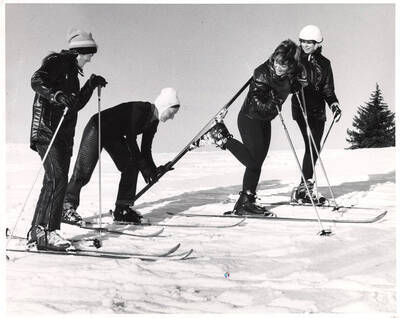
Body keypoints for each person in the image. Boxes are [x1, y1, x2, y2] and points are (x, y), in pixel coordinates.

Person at [200, 39, 301, 215]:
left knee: (257, 163)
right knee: (253, 163)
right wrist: (273, 102)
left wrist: (297, 85)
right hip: (250, 118)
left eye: (283, 65)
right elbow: (256, 100)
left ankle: (246, 201)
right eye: (277, 62)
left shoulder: (289, 74)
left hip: (265, 121)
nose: (278, 67)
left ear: (291, 65)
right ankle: (221, 136)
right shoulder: (262, 73)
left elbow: (289, 86)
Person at [28, 28, 107, 251]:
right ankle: (48, 233)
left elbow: (75, 104)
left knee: (53, 181)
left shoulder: (72, 74)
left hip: (61, 135)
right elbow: (36, 80)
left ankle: (38, 232)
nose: (90, 58)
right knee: (58, 179)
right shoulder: (58, 62)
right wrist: (56, 95)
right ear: (79, 52)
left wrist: (90, 85)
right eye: (89, 54)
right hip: (46, 130)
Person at [62, 88, 180, 225]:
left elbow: (145, 149)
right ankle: (66, 207)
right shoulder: (141, 109)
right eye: (172, 113)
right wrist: (145, 169)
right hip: (97, 127)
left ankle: (122, 209)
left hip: (113, 135)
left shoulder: (153, 122)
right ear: (164, 106)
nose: (172, 117)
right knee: (83, 170)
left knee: (131, 166)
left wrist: (153, 171)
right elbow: (131, 140)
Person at [290, 25, 341, 204]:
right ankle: (304, 188)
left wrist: (334, 104)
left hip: (318, 110)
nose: (305, 45)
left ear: (317, 43)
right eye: (302, 41)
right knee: (311, 143)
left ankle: (305, 186)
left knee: (315, 146)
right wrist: (295, 83)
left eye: (309, 42)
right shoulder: (295, 59)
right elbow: (287, 80)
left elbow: (328, 89)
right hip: (301, 106)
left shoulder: (325, 63)